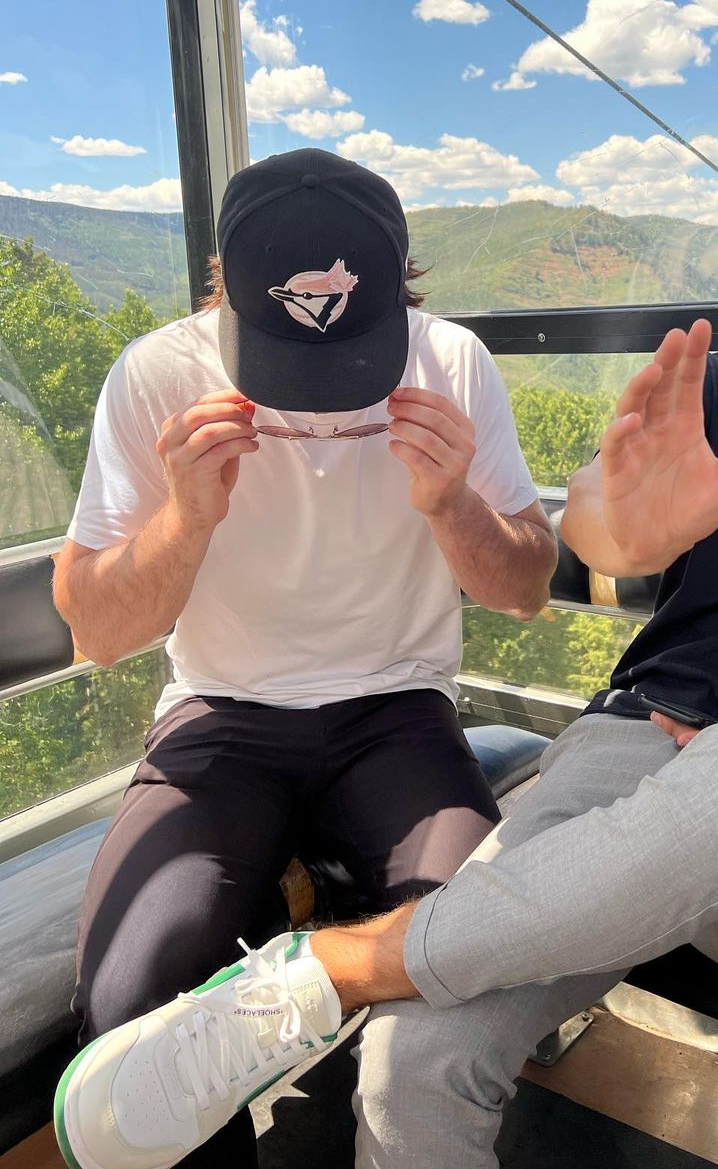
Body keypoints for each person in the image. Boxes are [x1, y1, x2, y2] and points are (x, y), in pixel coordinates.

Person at [56, 124, 718, 1169]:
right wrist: (629, 536)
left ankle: (333, 969)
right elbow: (596, 536)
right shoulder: (713, 388)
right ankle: (345, 988)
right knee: (414, 1054)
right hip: (623, 745)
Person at [49, 147, 557, 1169]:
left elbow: (525, 585)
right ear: (229, 289)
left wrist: (452, 504)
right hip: (222, 710)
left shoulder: (451, 362)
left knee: (481, 966)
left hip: (397, 708)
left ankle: (317, 976)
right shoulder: (158, 373)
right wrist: (186, 520)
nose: (323, 403)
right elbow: (95, 630)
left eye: (350, 356)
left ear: (398, 286)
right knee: (129, 1008)